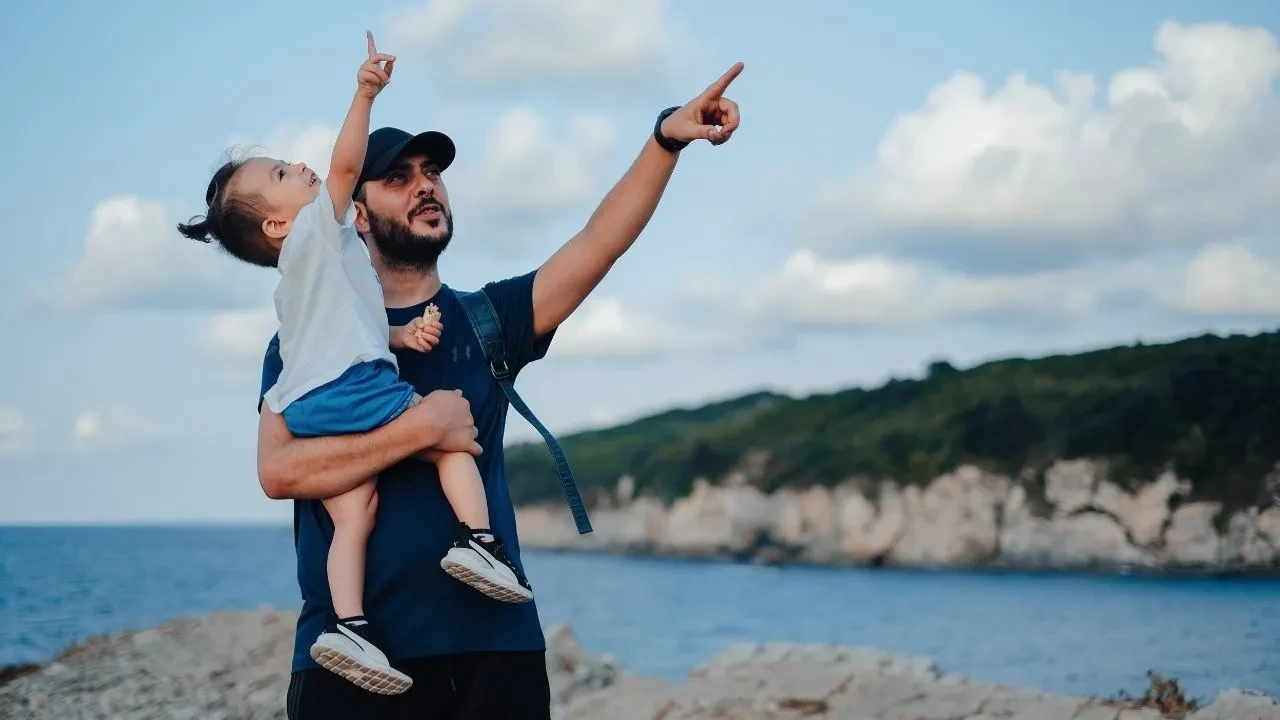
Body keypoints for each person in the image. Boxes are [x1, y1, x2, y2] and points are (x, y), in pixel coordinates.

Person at [255, 56, 744, 718]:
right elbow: (279, 472)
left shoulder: (490, 318)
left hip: (496, 656)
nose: (426, 187)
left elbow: (600, 243)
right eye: (398, 178)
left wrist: (665, 139)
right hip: (351, 661)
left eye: (433, 174)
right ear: (357, 216)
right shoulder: (301, 345)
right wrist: (421, 430)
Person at [178, 33, 534, 698]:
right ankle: (479, 541)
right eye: (284, 174)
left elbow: (347, 334)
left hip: (307, 397)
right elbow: (344, 171)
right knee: (450, 432)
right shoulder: (316, 235)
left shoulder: (312, 281)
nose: (301, 168)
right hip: (344, 389)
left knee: (354, 512)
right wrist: (365, 92)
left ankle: (349, 626)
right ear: (280, 226)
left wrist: (402, 336)